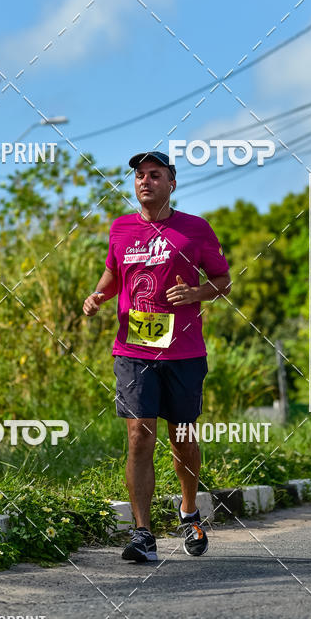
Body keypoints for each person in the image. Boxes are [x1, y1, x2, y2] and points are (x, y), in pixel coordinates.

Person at [82, 151, 231, 562]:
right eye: (139, 176)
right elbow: (114, 274)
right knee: (138, 436)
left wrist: (197, 293)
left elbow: (223, 281)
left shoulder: (195, 230)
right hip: (133, 350)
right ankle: (142, 534)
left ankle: (188, 510)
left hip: (183, 351)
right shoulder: (121, 229)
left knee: (181, 437)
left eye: (154, 175)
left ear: (171, 183)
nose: (144, 181)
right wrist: (97, 295)